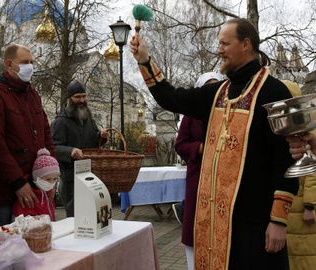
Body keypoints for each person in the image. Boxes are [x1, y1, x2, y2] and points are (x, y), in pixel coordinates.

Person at [130, 18, 299, 270]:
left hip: (257, 224)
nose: (218, 49)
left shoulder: (275, 92)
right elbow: (172, 98)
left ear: (245, 44)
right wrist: (145, 61)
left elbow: (285, 161)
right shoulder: (217, 92)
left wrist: (278, 221)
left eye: (224, 43)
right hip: (214, 226)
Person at [0, 44, 54, 227]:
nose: (30, 66)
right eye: (25, 62)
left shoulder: (33, 94)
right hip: (6, 192)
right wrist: (18, 182)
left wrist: (51, 173)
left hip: (36, 186)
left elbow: (46, 133)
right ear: (9, 64)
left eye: (32, 62)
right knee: (6, 245)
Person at [174, 72, 224, 270]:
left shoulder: (228, 112)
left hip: (223, 179)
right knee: (196, 231)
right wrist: (200, 148)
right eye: (208, 87)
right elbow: (180, 144)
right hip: (198, 178)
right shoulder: (191, 115)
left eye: (216, 86)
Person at [51, 80, 108, 217]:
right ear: (69, 99)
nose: (82, 100)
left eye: (84, 96)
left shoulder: (89, 120)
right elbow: (53, 147)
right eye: (77, 97)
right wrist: (70, 151)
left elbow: (94, 142)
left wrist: (101, 136)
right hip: (71, 179)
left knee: (92, 214)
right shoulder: (60, 121)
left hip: (90, 176)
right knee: (75, 217)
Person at [280, 81, 316, 270]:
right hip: (288, 203)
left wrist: (311, 204)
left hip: (303, 206)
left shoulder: (307, 124)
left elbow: (312, 171)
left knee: (305, 254)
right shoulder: (283, 126)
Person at [13, 148, 60, 221]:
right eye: (48, 179)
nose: (51, 183)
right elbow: (21, 218)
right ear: (36, 177)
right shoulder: (27, 195)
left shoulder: (48, 192)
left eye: (54, 179)